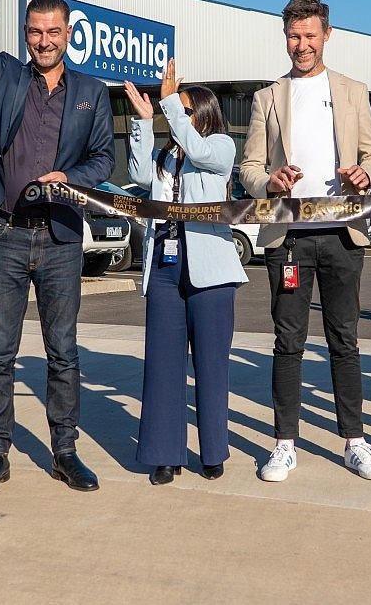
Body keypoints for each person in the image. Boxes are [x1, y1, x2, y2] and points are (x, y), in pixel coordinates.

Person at [0, 0, 115, 496]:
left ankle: (64, 452)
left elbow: (103, 159)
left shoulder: (92, 93)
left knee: (62, 351)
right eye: (35, 32)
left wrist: (69, 180)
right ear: (26, 35)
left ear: (68, 34)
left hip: (61, 238)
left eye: (53, 33)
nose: (44, 41)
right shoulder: (6, 76)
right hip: (5, 234)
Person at [239, 0, 371, 482]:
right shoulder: (267, 97)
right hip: (289, 239)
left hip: (342, 234)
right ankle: (284, 443)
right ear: (285, 38)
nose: (301, 45)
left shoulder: (352, 90)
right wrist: (269, 182)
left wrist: (365, 176)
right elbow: (249, 170)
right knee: (288, 341)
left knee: (344, 339)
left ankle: (355, 441)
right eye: (293, 36)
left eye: (309, 35)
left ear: (327, 35)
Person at [124, 61, 247, 485]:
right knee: (162, 363)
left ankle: (212, 450)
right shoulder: (169, 155)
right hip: (164, 266)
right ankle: (165, 453)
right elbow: (138, 176)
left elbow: (196, 149)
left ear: (204, 114)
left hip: (210, 271)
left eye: (186, 108)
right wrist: (143, 124)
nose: (179, 113)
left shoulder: (220, 149)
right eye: (178, 108)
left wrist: (168, 103)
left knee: (211, 365)